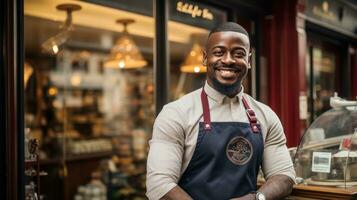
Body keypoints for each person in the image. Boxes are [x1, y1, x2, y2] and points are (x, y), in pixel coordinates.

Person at [146, 22, 295, 200]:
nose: (228, 60)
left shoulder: (265, 115)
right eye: (219, 52)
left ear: (248, 60)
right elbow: (159, 184)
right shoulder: (176, 113)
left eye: (238, 54)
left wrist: (257, 198)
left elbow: (284, 175)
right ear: (204, 58)